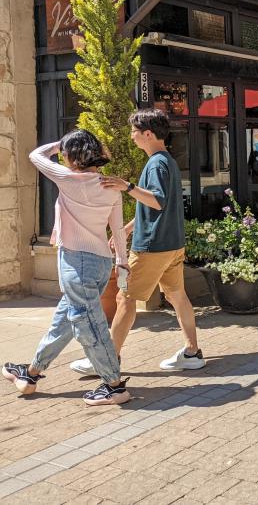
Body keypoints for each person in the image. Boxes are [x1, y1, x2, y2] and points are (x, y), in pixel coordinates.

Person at [70, 109, 205, 378]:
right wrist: (129, 227)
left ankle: (107, 359)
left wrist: (126, 186)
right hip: (172, 243)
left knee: (124, 298)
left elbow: (157, 200)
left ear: (148, 134)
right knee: (177, 296)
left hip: (153, 247)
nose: (131, 136)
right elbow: (157, 206)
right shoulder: (166, 161)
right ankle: (192, 353)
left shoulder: (156, 164)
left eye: (134, 131)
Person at [4, 131, 131, 405]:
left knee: (89, 325)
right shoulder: (111, 185)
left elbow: (36, 155)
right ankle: (31, 374)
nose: (62, 157)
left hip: (76, 262)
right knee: (64, 321)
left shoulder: (68, 178)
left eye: (66, 153)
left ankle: (114, 385)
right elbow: (118, 228)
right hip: (100, 262)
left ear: (73, 155)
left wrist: (59, 143)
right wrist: (122, 262)